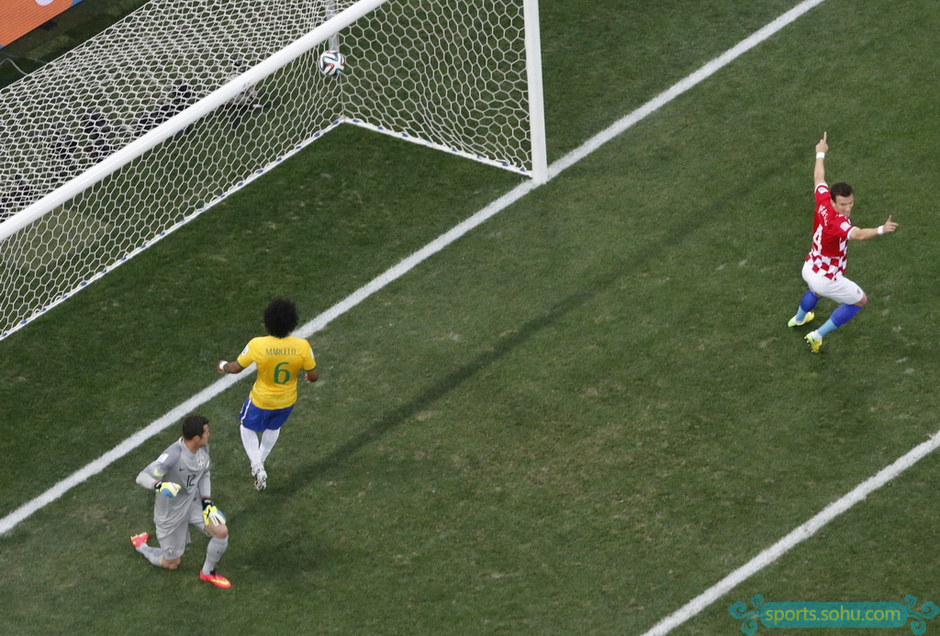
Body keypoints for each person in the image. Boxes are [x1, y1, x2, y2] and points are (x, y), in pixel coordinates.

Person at [787, 132, 898, 353]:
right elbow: (858, 235)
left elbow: (818, 178)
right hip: (826, 277)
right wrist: (881, 229)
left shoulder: (822, 200)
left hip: (810, 266)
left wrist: (820, 153)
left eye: (851, 203)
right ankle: (817, 335)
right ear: (833, 202)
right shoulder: (838, 223)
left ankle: (798, 319)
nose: (847, 209)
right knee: (860, 301)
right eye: (843, 205)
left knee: (815, 291)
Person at [217, 298, 318, 490]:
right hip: (287, 401)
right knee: (274, 427)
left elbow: (236, 368)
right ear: (293, 323)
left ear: (268, 322)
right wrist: (309, 377)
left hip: (261, 400)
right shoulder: (302, 346)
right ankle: (259, 464)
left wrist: (222, 365)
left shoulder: (258, 344)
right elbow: (313, 375)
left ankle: (257, 466)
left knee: (246, 426)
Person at [130, 414, 231, 589]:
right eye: (206, 432)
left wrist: (206, 501)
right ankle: (142, 546)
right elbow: (142, 477)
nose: (209, 434)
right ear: (196, 437)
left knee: (221, 532)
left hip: (193, 503)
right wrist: (159, 485)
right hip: (171, 513)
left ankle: (207, 572)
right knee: (172, 563)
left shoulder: (202, 449)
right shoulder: (173, 456)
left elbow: (204, 473)